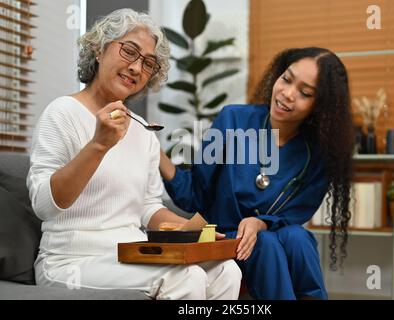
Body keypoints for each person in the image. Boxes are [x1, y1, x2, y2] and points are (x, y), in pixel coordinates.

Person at [26, 8, 241, 300]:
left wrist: (190, 232)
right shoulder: (62, 113)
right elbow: (44, 205)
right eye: (129, 51)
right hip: (70, 260)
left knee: (227, 270)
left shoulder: (142, 130)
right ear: (99, 49)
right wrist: (98, 145)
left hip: (130, 253)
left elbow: (148, 207)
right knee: (185, 278)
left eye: (148, 63)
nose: (136, 68)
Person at [160, 47, 354, 300]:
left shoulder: (316, 154)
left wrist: (260, 223)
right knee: (266, 243)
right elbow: (195, 194)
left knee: (298, 238)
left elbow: (294, 217)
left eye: (305, 93)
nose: (287, 94)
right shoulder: (233, 120)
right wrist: (157, 155)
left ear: (320, 106)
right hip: (224, 239)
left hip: (272, 241)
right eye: (286, 79)